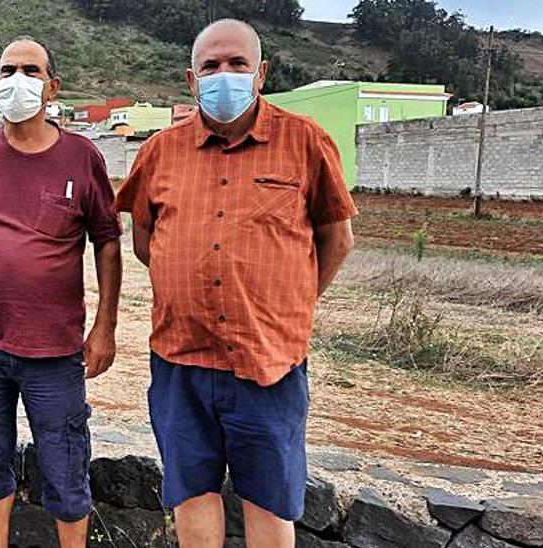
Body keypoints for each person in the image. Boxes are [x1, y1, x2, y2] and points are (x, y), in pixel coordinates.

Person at [114, 19, 357, 548]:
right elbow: (145, 241)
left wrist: (286, 305)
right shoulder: (160, 150)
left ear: (261, 72)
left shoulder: (305, 141)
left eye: (237, 64)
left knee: (268, 500)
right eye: (211, 66)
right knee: (191, 494)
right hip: (181, 358)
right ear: (192, 79)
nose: (224, 75)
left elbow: (336, 239)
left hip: (267, 361)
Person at [0, 36, 124, 548]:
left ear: (52, 86)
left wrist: (105, 328)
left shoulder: (82, 157)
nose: (19, 80)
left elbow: (107, 244)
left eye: (31, 71)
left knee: (65, 466)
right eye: (8, 70)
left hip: (57, 350)